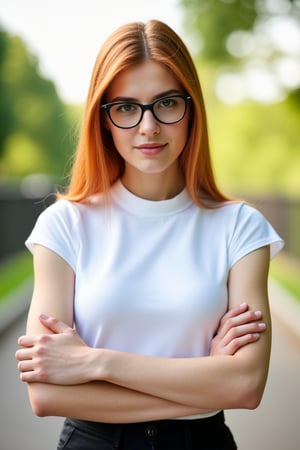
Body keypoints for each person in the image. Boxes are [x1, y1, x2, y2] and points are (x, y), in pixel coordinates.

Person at [15, 20, 284, 450]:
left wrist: (94, 363)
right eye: (125, 107)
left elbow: (247, 385)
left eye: (166, 103)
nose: (148, 127)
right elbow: (47, 394)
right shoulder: (64, 225)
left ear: (191, 108)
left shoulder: (241, 228)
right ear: (102, 119)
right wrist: (205, 380)